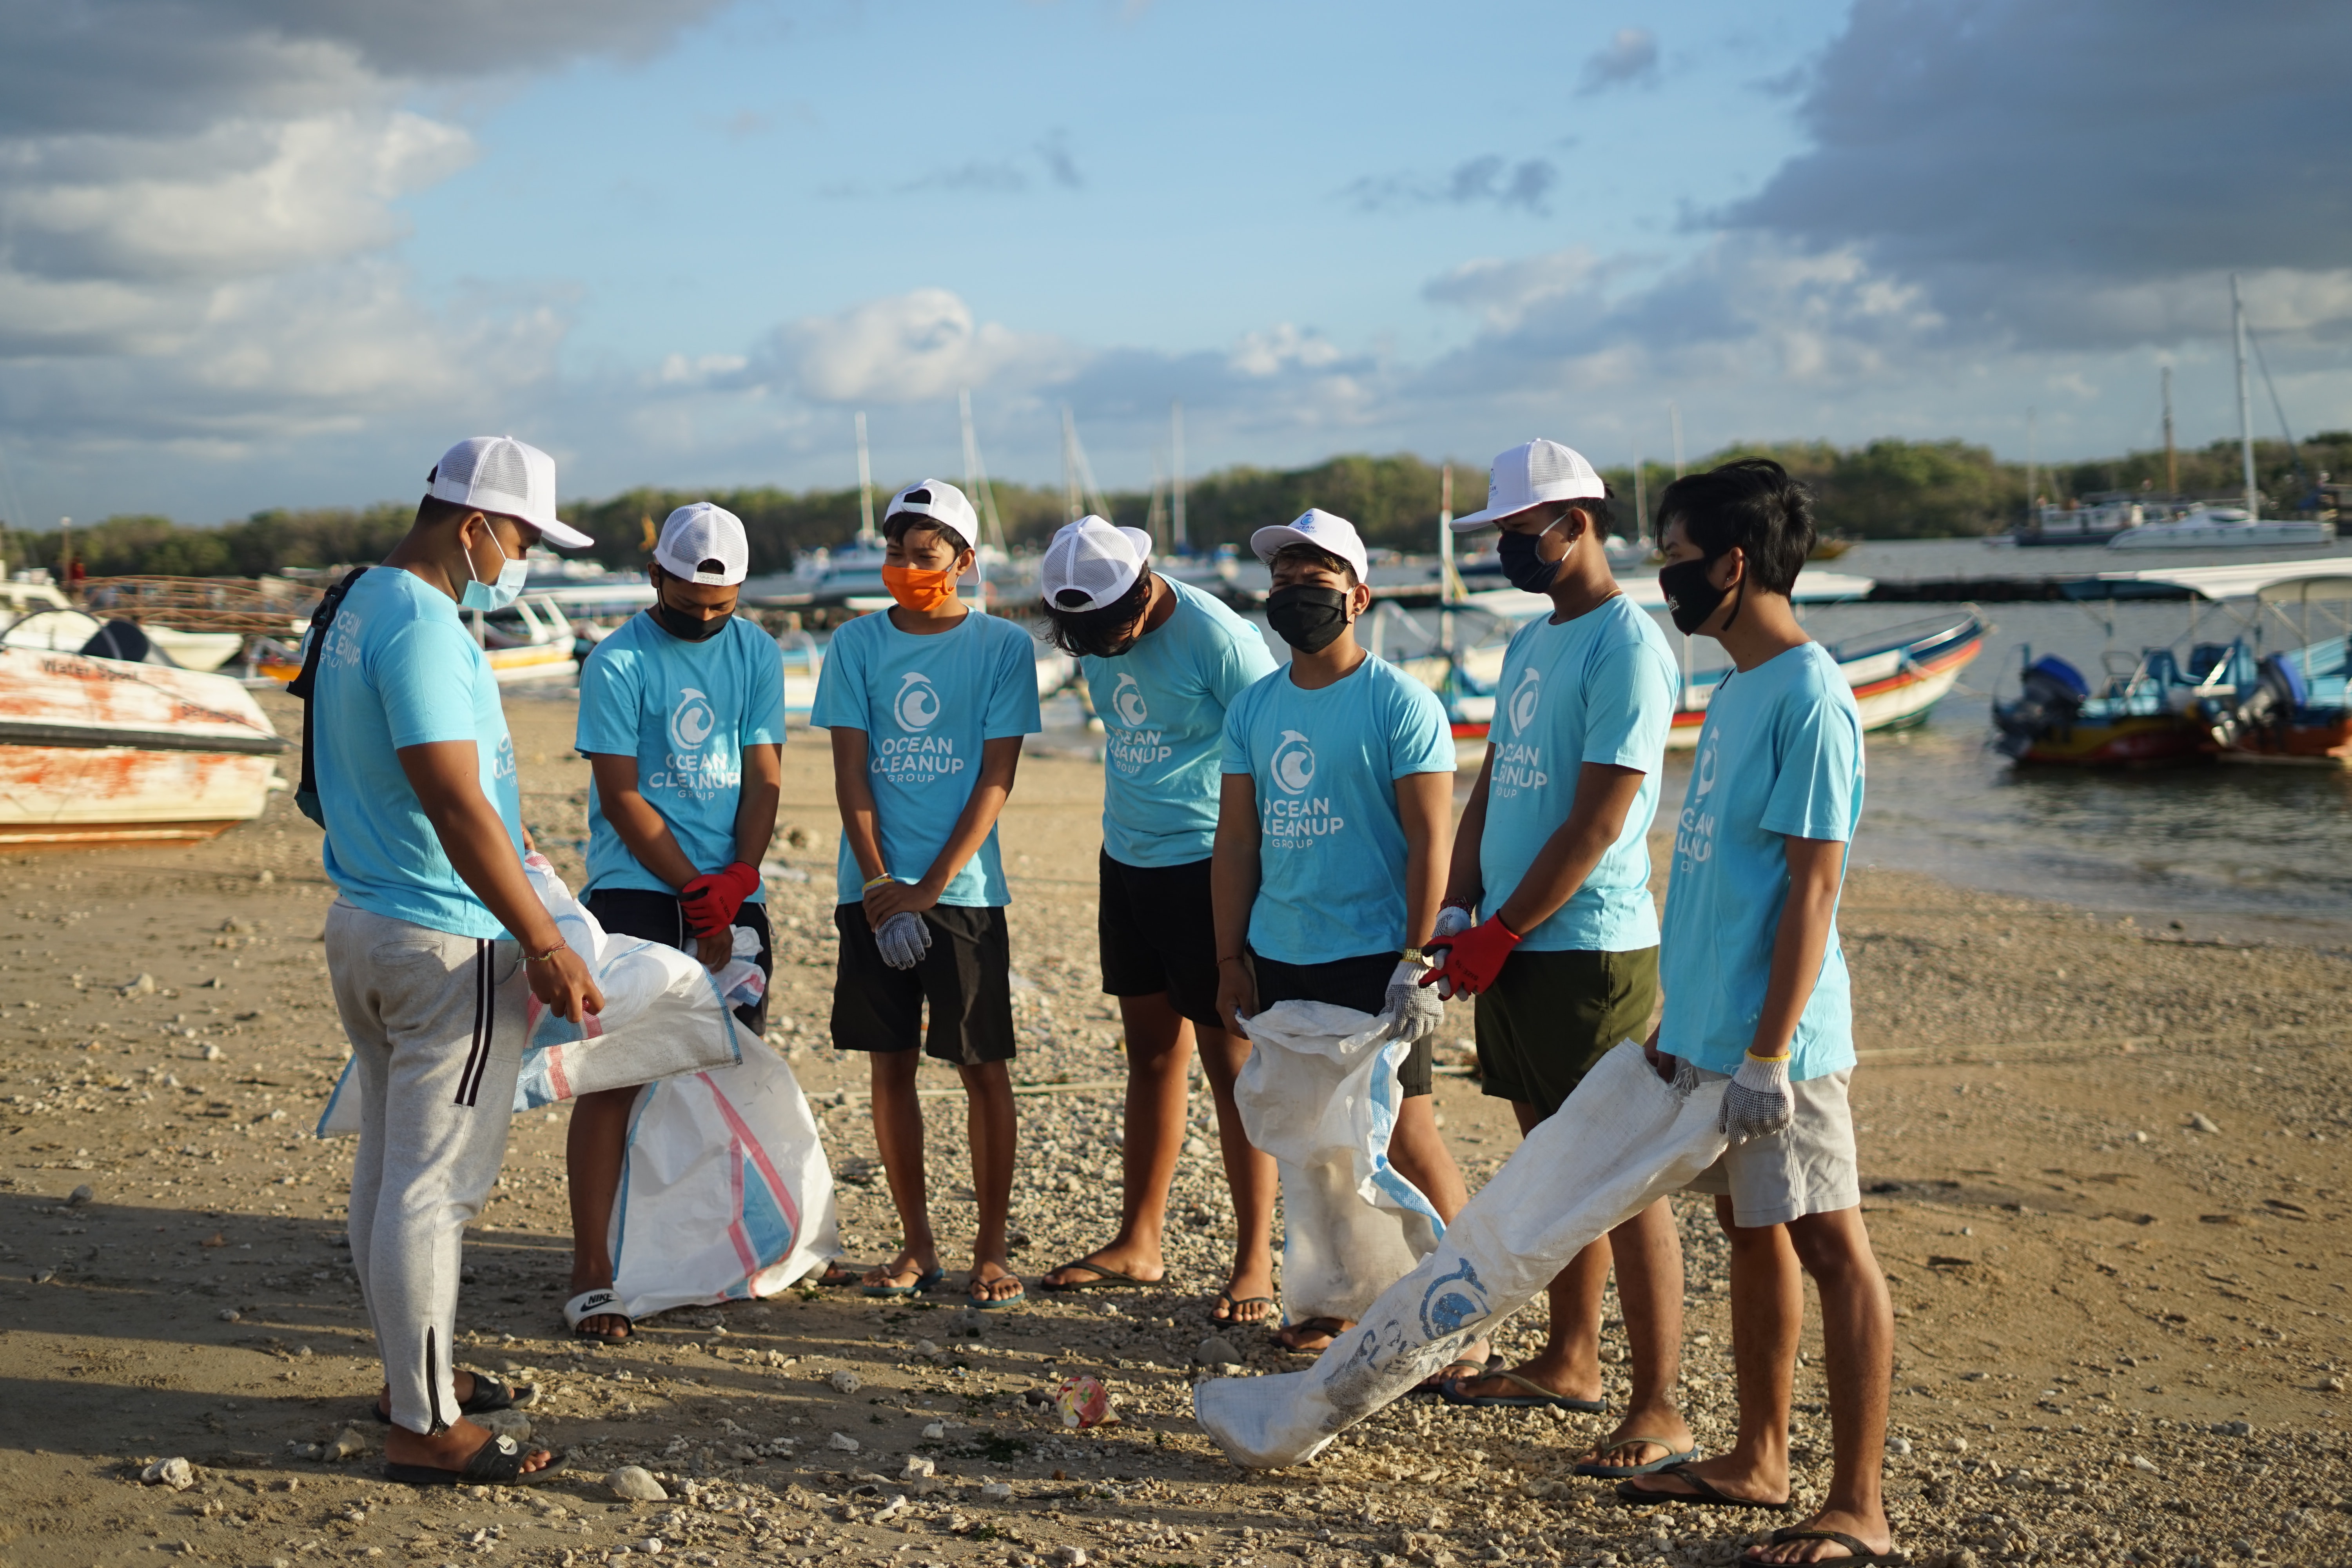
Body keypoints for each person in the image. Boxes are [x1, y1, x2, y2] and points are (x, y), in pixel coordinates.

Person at [1616, 459, 1895, 1568]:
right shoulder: (1738, 689)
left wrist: (1771, 1050)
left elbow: (1813, 888)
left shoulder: (1813, 695)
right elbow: (1721, 878)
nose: (1668, 580)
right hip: (1718, 1029)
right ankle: (1759, 1457)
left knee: (1833, 1244)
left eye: (1677, 560)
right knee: (1748, 1230)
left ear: (1734, 563)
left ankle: (1861, 1507)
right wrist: (1685, 1022)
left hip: (1786, 1046)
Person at [312, 436, 603, 1485]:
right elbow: (451, 794)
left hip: (367, 918)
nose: (523, 554)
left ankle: (411, 1380)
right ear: (472, 523)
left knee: (391, 1171)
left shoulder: (359, 603)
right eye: (521, 534)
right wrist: (542, 939)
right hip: (447, 940)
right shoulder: (427, 628)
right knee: (433, 1191)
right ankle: (426, 1425)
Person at [1422, 441, 1696, 1476]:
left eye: (1517, 533)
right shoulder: (1538, 643)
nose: (1506, 551)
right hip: (1512, 937)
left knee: (1623, 1176)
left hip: (1586, 947)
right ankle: (1570, 1358)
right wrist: (1459, 903)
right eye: (1498, 536)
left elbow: (1599, 817)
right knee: (1553, 1160)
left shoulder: (1628, 643)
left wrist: (1507, 927)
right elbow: (1498, 773)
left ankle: (1660, 1404)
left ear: (1576, 523)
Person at [1210, 508, 1477, 1365]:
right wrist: (1228, 954)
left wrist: (1416, 961)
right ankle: (1335, 1300)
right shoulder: (1254, 707)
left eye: (1315, 575)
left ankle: (1471, 1309)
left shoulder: (1399, 700)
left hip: (1377, 954)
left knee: (1405, 1133)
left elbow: (1433, 839)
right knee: (1316, 1143)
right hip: (1282, 950)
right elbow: (1238, 840)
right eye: (1283, 576)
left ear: (1358, 595)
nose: (1295, 589)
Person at [1031, 516, 1282, 1323]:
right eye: (1085, 638)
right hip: (1126, 858)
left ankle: (1254, 1262)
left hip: (1208, 866)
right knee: (1149, 1055)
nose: (1102, 649)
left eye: (1109, 631)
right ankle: (1139, 1239)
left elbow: (1276, 757)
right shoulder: (1099, 632)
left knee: (1233, 1066)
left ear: (1141, 591)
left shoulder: (1220, 638)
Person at [810, 480, 1042, 1309]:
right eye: (897, 554)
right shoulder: (855, 644)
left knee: (983, 1068)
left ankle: (989, 1250)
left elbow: (997, 774)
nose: (908, 568)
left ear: (964, 560)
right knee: (891, 1066)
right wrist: (880, 882)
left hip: (965, 891)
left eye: (927, 554)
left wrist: (931, 887)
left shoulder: (1002, 648)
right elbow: (851, 770)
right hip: (871, 890)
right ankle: (916, 1246)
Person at [562, 502, 789, 1342]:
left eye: (720, 606)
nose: (704, 620)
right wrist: (691, 886)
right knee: (616, 1076)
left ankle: (712, 1251)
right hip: (638, 886)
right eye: (688, 603)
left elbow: (763, 775)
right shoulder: (618, 662)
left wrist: (737, 877)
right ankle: (592, 1269)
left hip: (730, 885)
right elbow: (621, 793)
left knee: (726, 1067)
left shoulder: (758, 650)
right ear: (655, 575)